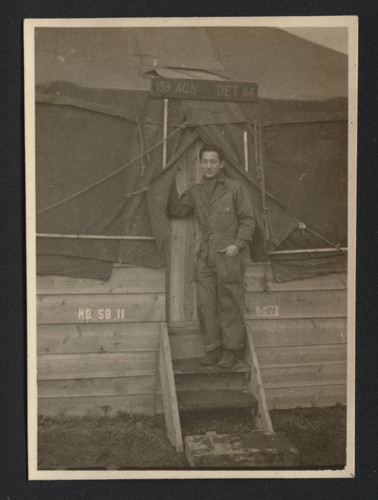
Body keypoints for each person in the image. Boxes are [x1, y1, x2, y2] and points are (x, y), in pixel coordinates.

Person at [168, 144, 255, 368]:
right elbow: (176, 209)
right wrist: (166, 182)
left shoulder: (235, 188)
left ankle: (231, 351)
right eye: (205, 161)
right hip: (205, 254)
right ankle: (213, 349)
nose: (208, 166)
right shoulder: (195, 191)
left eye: (213, 162)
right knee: (205, 304)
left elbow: (248, 220)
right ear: (200, 164)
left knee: (229, 302)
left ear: (221, 164)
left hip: (228, 253)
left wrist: (237, 245)